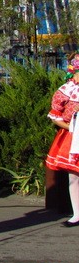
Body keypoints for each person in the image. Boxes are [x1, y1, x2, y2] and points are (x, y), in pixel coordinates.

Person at [46, 53, 79, 227]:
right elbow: (55, 116)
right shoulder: (66, 90)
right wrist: (72, 127)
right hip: (72, 137)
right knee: (74, 177)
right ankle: (77, 213)